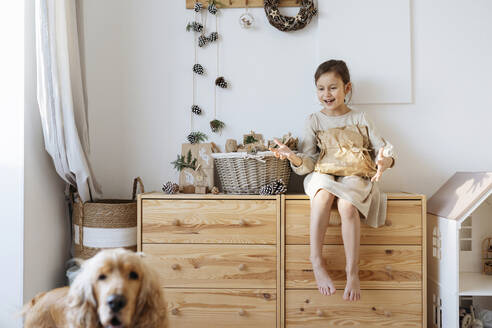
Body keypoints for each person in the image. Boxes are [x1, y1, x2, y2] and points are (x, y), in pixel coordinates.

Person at [270, 60, 395, 301]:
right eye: (320, 88)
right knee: (324, 194)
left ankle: (352, 271)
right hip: (323, 174)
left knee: (348, 206)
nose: (326, 94)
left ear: (347, 88)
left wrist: (384, 162)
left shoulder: (361, 118)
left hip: (354, 175)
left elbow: (383, 148)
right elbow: (309, 161)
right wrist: (293, 157)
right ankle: (316, 261)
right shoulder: (314, 121)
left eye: (333, 87)